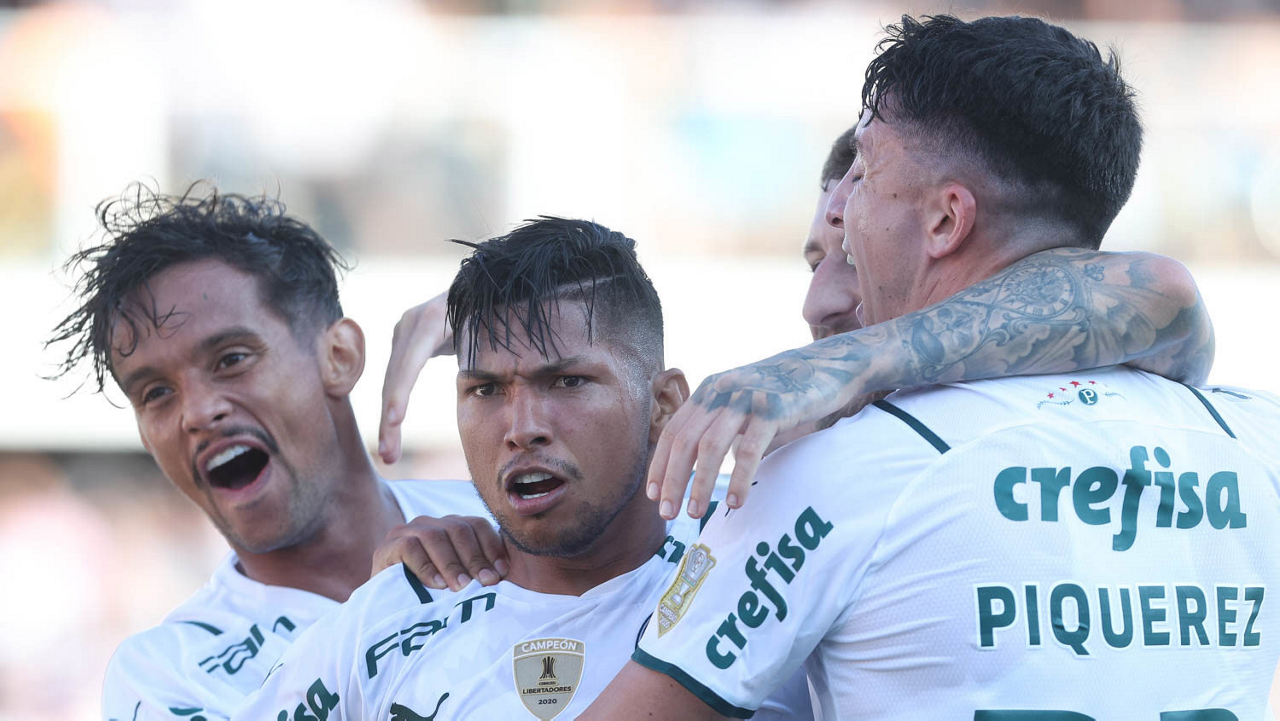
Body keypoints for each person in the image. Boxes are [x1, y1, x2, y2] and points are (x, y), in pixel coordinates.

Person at [585, 14, 1280, 719]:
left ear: (947, 220)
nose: (843, 205)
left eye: (865, 173)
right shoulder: (1255, 439)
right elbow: (1164, 297)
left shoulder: (838, 471)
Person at [233, 217, 811, 719]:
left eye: (567, 381)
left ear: (662, 405)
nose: (521, 427)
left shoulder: (769, 573)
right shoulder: (383, 621)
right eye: (485, 390)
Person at [46, 184, 490, 721]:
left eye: (231, 359)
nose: (197, 413)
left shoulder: (509, 529)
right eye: (156, 393)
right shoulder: (165, 676)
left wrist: (526, 326)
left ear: (340, 356)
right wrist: (379, 616)